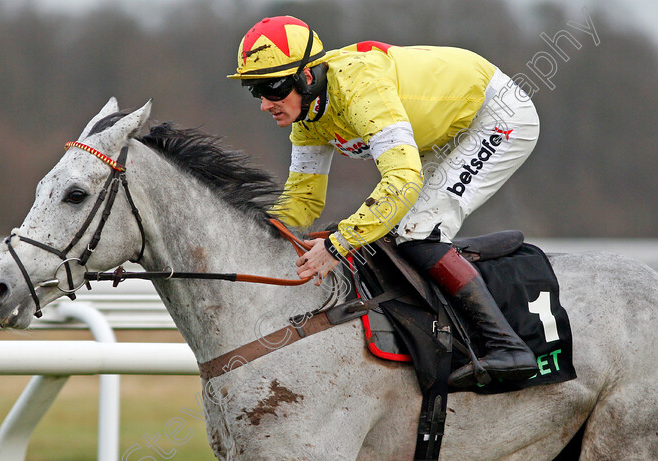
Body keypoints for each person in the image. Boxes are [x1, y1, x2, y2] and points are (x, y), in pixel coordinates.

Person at [228, 15, 540, 388]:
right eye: (254, 90)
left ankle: (508, 347)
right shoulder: (307, 118)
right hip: (443, 131)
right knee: (398, 230)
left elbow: (403, 181)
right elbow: (302, 200)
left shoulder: (360, 90)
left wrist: (337, 245)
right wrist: (248, 236)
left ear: (307, 77)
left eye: (272, 88)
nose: (264, 104)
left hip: (495, 117)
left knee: (416, 228)